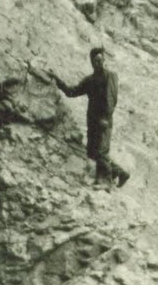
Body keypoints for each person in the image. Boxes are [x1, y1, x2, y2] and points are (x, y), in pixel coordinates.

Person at [55, 46, 130, 186]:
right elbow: (72, 92)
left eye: (100, 60)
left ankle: (104, 181)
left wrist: (105, 118)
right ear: (91, 62)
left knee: (102, 151)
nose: (98, 63)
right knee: (92, 152)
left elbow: (112, 99)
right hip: (92, 121)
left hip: (104, 121)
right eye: (95, 61)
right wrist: (58, 81)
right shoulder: (89, 80)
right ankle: (119, 172)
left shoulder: (111, 76)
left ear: (104, 60)